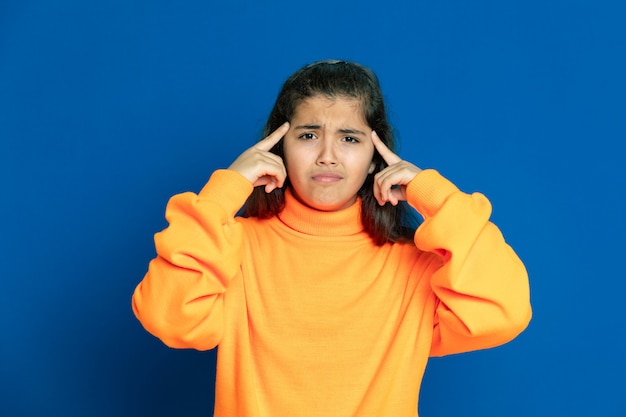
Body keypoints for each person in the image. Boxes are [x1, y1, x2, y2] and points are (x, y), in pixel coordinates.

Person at [132, 59, 532, 417]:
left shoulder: (414, 266)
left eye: (350, 138)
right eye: (307, 136)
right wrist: (224, 192)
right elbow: (168, 316)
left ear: (376, 157)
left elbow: (504, 311)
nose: (327, 155)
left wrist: (435, 196)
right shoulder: (233, 250)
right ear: (276, 148)